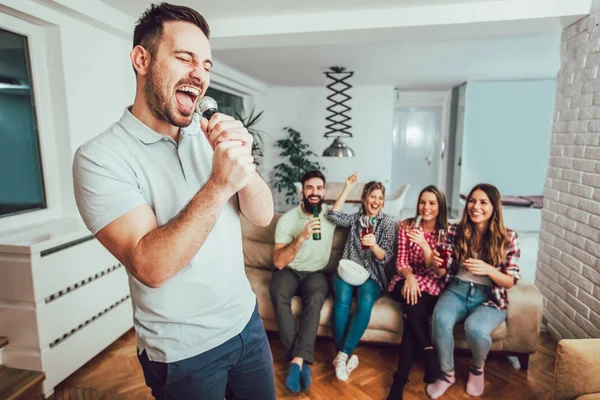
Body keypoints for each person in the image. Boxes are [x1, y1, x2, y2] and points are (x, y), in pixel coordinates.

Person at [72, 4, 276, 399]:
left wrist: (243, 165)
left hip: (246, 324)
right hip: (182, 352)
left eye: (207, 65)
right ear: (141, 58)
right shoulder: (100, 158)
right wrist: (218, 184)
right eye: (184, 58)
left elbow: (263, 215)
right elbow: (152, 265)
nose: (199, 74)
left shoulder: (209, 135)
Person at [426, 183, 521, 399]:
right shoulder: (454, 230)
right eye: (472, 201)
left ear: (494, 207)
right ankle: (447, 373)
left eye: (483, 202)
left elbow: (509, 282)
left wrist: (488, 270)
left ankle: (477, 369)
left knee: (475, 329)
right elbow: (441, 273)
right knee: (440, 319)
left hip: (489, 297)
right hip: (457, 290)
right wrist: (436, 262)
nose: (475, 206)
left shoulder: (509, 237)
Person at [270, 170, 336, 393]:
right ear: (302, 191)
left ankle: (296, 361)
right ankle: (299, 360)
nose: (314, 192)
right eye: (310, 188)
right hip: (289, 270)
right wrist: (301, 237)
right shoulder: (288, 219)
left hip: (317, 272)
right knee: (277, 293)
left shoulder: (331, 215)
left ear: (324, 192)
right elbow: (278, 262)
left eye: (319, 188)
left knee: (316, 298)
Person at [326, 172, 396, 381]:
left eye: (380, 198)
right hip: (347, 270)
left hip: (372, 275)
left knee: (365, 303)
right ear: (365, 199)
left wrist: (374, 246)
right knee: (342, 302)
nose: (376, 202)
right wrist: (348, 187)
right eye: (372, 197)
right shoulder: (356, 219)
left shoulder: (388, 224)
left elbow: (386, 258)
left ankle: (342, 355)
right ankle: (344, 357)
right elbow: (332, 215)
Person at [386, 186, 448, 400]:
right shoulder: (407, 226)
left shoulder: (445, 232)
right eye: (423, 202)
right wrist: (409, 277)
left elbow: (440, 272)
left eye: (432, 203)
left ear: (440, 207)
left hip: (430, 283)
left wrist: (424, 246)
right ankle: (429, 352)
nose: (426, 207)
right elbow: (401, 261)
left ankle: (399, 382)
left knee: (412, 312)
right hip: (405, 280)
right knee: (412, 300)